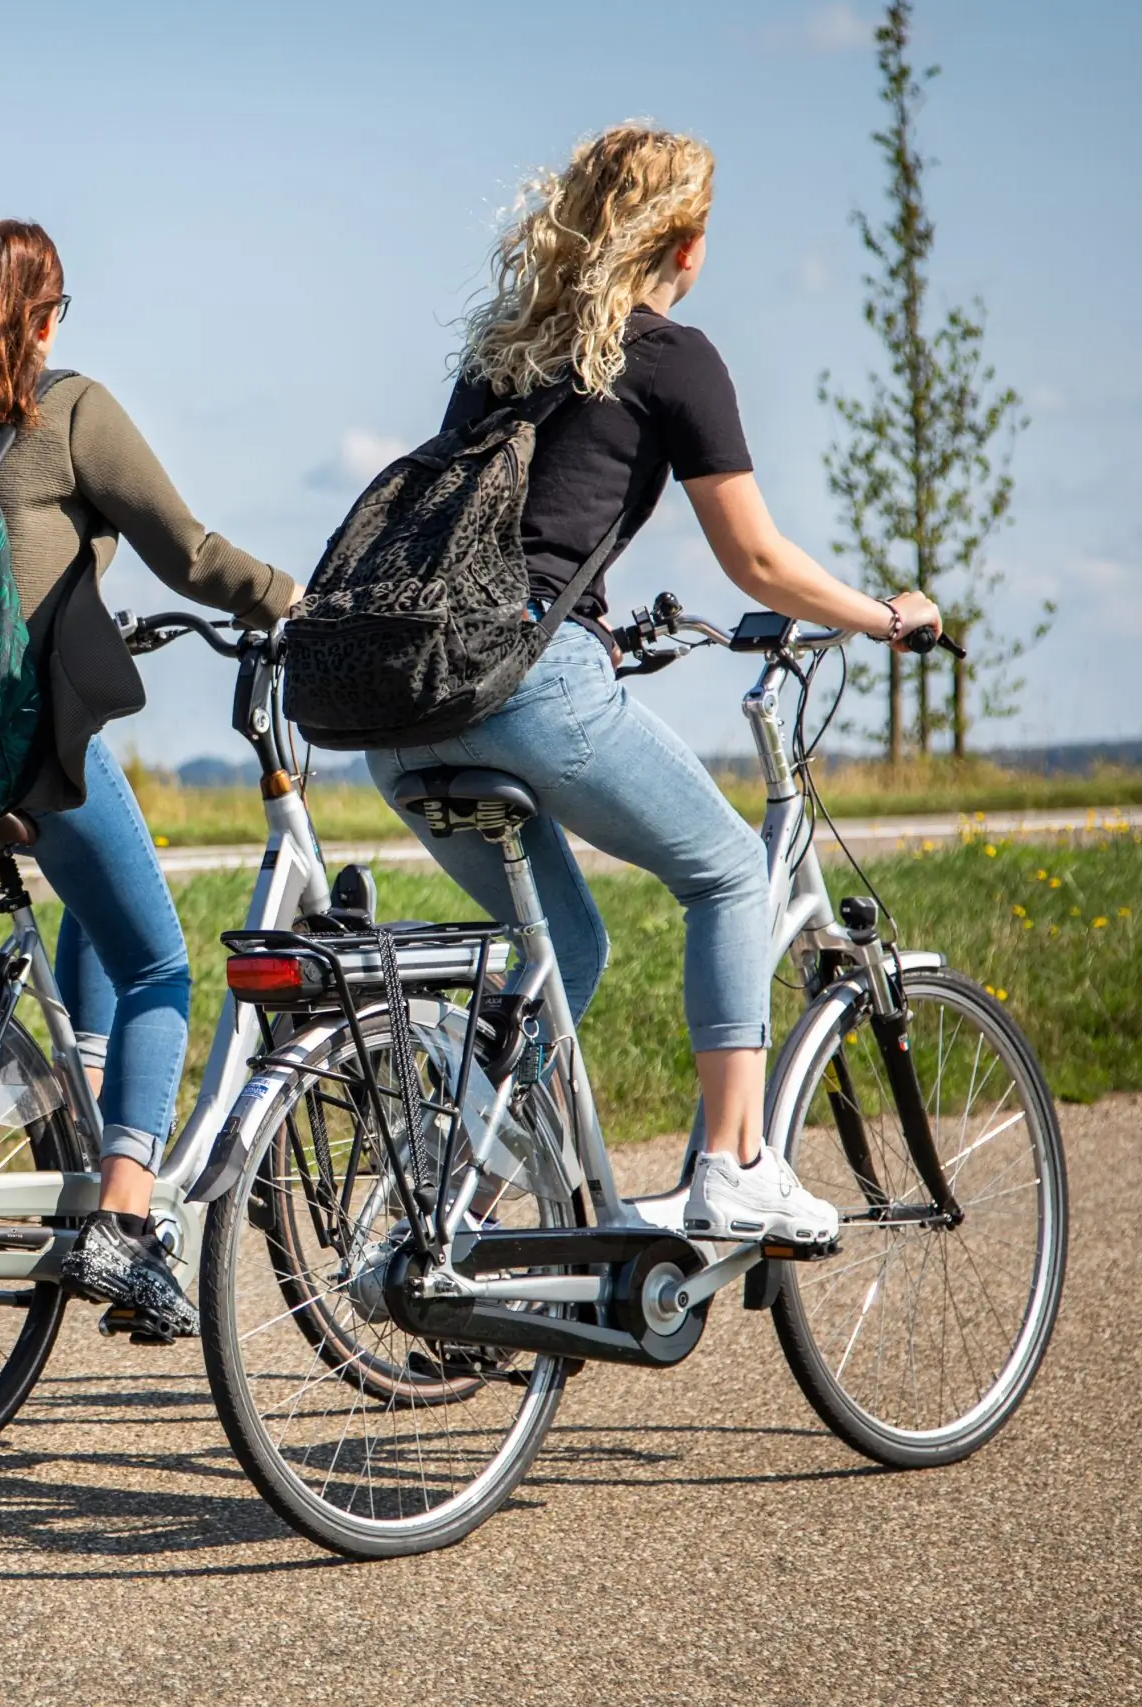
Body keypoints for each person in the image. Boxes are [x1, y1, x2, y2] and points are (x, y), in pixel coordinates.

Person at [368, 123, 941, 1245]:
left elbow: (481, 540)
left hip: (405, 708)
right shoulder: (670, 355)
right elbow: (758, 563)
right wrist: (883, 617)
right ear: (682, 240)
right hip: (529, 684)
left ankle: (452, 1218)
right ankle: (733, 1167)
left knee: (563, 951)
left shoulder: (497, 357)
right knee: (730, 875)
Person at [0, 219, 297, 1334]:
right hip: (30, 743)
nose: (59, 329)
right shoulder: (70, 409)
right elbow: (190, 555)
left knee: (99, 906)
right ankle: (126, 1220)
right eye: (51, 311)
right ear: (32, 320)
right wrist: (293, 600)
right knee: (160, 966)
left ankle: (82, 1116)